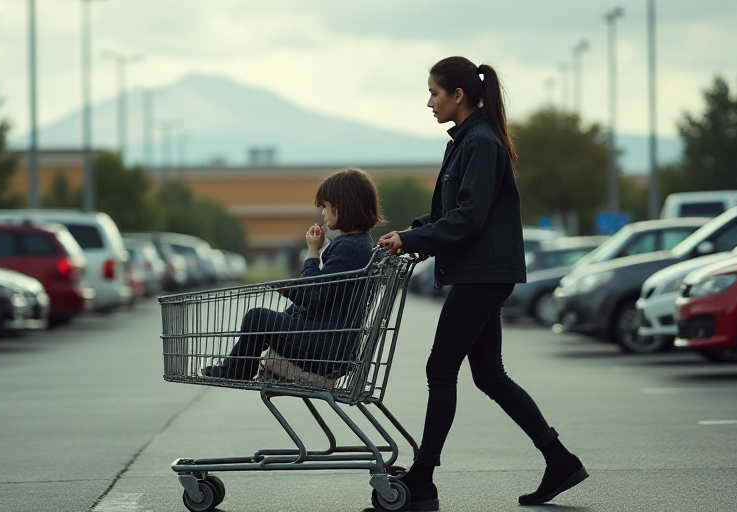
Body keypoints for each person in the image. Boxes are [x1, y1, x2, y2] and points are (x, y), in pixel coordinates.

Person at [377, 57, 587, 509]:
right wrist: (412, 235)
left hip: (484, 274)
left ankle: (422, 479)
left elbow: (469, 218)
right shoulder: (466, 142)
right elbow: (455, 212)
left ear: (458, 95)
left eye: (434, 93)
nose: (428, 101)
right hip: (484, 272)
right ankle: (559, 459)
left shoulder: (482, 142)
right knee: (489, 375)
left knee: (440, 370)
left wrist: (414, 237)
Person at [202, 168, 385, 381]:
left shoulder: (348, 248)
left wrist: (312, 254)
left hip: (324, 347)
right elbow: (324, 294)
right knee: (278, 316)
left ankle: (237, 370)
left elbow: (315, 298)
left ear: (341, 207)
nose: (323, 214)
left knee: (257, 318)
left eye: (325, 207)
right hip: (331, 343)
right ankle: (235, 367)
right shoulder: (361, 244)